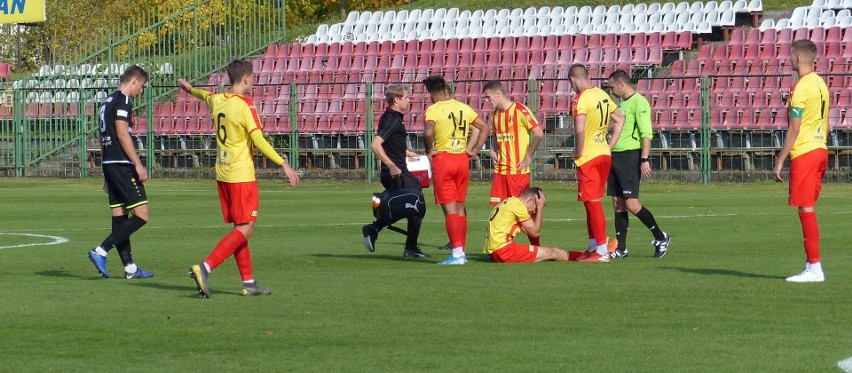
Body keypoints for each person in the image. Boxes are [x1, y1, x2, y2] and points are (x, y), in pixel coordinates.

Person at [179, 59, 301, 298]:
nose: (253, 82)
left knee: (240, 229)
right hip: (241, 175)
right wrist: (283, 163)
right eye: (252, 78)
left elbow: (204, 95)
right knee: (246, 229)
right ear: (245, 78)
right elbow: (258, 140)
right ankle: (205, 267)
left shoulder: (218, 99)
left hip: (222, 173)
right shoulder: (246, 105)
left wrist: (189, 89)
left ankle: (249, 282)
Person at [87, 65, 154, 280]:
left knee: (119, 216)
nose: (141, 91)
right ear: (134, 81)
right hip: (123, 164)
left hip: (110, 163)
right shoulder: (124, 101)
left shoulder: (106, 102)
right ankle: (101, 250)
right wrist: (137, 163)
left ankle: (130, 269)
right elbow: (122, 134)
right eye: (141, 86)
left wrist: (106, 171)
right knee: (142, 215)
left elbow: (102, 135)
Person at [772, 40, 830, 283]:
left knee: (806, 208)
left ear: (797, 59)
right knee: (807, 207)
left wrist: (780, 160)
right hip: (820, 149)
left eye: (791, 57)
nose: (789, 60)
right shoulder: (821, 84)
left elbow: (793, 129)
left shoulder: (800, 87)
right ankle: (812, 266)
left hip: (805, 152)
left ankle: (814, 267)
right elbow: (825, 122)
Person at [422, 75, 489, 265]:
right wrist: (474, 150)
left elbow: (427, 132)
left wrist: (429, 150)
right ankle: (462, 252)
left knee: (449, 208)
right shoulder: (463, 107)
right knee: (460, 208)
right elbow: (484, 127)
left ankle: (457, 255)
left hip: (443, 159)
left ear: (431, 94)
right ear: (446, 89)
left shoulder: (434, 109)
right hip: (462, 159)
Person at [606, 70, 671, 259]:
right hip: (615, 156)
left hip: (630, 157)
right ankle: (621, 248)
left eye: (612, 87)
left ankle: (661, 237)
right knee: (618, 203)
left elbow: (646, 133)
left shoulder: (639, 102)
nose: (611, 91)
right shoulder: (622, 104)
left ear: (621, 84)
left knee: (632, 204)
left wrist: (644, 159)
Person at [362, 84, 429, 258]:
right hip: (396, 173)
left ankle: (378, 230)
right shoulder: (392, 119)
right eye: (406, 97)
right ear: (396, 99)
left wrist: (405, 152)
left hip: (397, 170)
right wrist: (391, 165)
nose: (409, 100)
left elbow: (388, 142)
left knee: (413, 207)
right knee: (417, 204)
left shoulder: (393, 117)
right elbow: (375, 145)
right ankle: (408, 247)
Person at [568, 64, 625, 263]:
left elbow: (580, 130)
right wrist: (609, 146)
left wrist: (579, 150)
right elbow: (620, 119)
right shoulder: (601, 94)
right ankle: (593, 246)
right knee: (589, 201)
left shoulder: (580, 99)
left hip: (590, 157)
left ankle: (601, 251)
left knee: (592, 202)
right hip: (603, 154)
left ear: (573, 80)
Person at [482, 80, 545, 208]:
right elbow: (495, 134)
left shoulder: (520, 110)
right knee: (501, 210)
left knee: (521, 211)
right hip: (500, 172)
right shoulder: (494, 116)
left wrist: (528, 156)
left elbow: (538, 133)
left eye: (488, 97)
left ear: (498, 94)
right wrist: (493, 150)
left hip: (517, 171)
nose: (487, 101)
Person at [485, 187, 580, 262]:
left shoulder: (511, 202)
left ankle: (582, 256)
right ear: (529, 201)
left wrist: (536, 247)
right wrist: (540, 208)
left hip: (494, 252)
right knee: (553, 252)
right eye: (535, 207)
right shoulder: (519, 207)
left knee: (546, 253)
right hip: (504, 251)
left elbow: (529, 231)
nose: (534, 211)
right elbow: (534, 232)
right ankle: (582, 256)